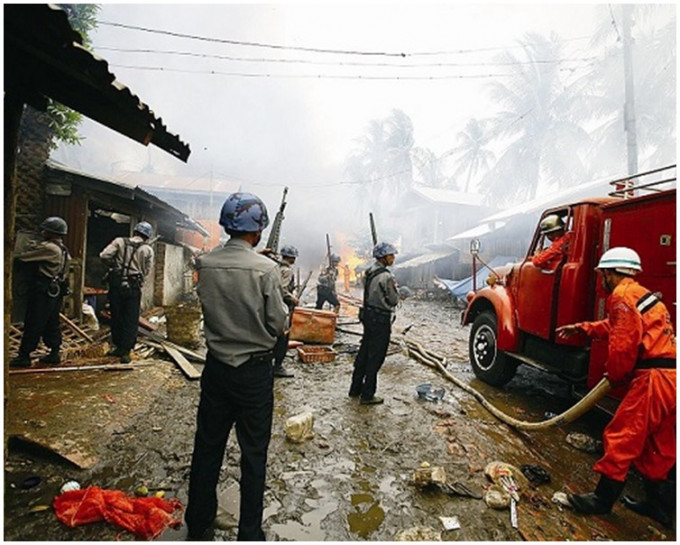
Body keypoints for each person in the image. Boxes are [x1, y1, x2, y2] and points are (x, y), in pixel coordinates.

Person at [186, 192, 287, 541]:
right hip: (254, 373)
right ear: (257, 231)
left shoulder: (206, 263)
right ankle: (249, 533)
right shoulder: (267, 270)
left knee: (207, 448)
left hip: (216, 368)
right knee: (253, 455)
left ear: (227, 226)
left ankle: (198, 524)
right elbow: (278, 324)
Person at [556, 247, 676, 527]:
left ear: (609, 273)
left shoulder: (620, 296)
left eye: (602, 274)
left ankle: (601, 500)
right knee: (659, 443)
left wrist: (614, 375)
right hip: (672, 377)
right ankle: (660, 507)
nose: (601, 279)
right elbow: (618, 326)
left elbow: (623, 344)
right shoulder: (641, 294)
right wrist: (583, 328)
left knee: (622, 435)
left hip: (653, 380)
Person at [10, 217, 71, 368]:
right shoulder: (63, 249)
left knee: (34, 321)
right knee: (51, 322)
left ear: (51, 232)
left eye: (45, 230)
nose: (42, 232)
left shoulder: (49, 248)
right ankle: (54, 352)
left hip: (44, 290)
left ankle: (24, 355)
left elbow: (22, 258)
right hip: (55, 291)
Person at [349, 242, 400, 405]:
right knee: (375, 357)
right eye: (391, 255)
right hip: (381, 319)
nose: (393, 258)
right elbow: (393, 300)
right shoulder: (387, 276)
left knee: (364, 352)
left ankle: (355, 389)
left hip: (368, 315)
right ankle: (368, 395)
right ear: (383, 257)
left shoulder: (369, 272)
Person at [100, 221, 154, 364]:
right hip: (134, 286)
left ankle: (117, 347)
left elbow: (104, 256)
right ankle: (126, 352)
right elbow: (147, 271)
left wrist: (115, 266)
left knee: (116, 315)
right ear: (147, 236)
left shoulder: (119, 241)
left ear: (135, 231)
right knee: (131, 318)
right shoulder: (148, 250)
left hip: (116, 284)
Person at [272, 244, 299, 378]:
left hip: (274, 306)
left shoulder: (276, 267)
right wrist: (292, 298)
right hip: (283, 307)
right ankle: (278, 366)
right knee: (283, 337)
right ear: (292, 258)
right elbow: (282, 289)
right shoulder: (287, 271)